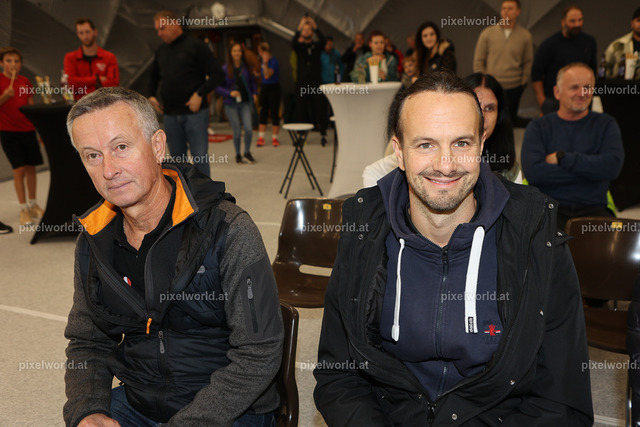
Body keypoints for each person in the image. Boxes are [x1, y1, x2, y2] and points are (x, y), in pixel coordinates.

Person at [315, 71, 593, 425]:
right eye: (425, 144)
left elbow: (562, 404)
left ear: (481, 146)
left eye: (461, 143)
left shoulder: (537, 237)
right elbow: (339, 377)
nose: (445, 165)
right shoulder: (363, 231)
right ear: (399, 152)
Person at [63, 87, 283, 427]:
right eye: (92, 155)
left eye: (121, 147)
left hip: (228, 408)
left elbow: (259, 353)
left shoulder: (227, 228)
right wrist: (88, 410)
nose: (108, 170)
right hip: (139, 402)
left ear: (157, 145)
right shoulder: (94, 239)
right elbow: (87, 341)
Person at [362, 72, 521, 186]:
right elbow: (373, 172)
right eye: (426, 145)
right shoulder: (413, 150)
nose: (482, 116)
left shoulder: (509, 167)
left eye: (490, 108)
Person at [521, 63, 624, 229]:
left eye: (587, 87)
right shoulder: (538, 127)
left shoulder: (606, 124)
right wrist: (591, 172)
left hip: (594, 209)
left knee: (622, 242)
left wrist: (563, 158)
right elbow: (535, 174)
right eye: (574, 87)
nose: (582, 93)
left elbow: (612, 167)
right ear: (557, 92)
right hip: (548, 209)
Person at [148, 10, 225, 177]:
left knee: (200, 157)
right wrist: (151, 95)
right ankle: (182, 191)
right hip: (170, 115)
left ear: (174, 24)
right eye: (157, 30)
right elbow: (153, 76)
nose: (159, 33)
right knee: (177, 161)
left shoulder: (196, 46)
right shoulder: (161, 51)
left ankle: (204, 193)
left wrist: (200, 94)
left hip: (195, 114)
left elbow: (218, 74)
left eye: (162, 28)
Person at [0, 47, 45, 226]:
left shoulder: (25, 81)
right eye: (9, 61)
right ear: (2, 63)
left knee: (31, 168)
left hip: (27, 130)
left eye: (16, 61)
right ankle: (23, 208)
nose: (13, 64)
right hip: (8, 132)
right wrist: (4, 97)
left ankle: (33, 205)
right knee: (18, 170)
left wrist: (39, 130)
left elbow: (30, 107)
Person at [473, 0, 533, 126]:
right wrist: (483, 82)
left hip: (515, 85)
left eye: (510, 8)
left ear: (518, 11)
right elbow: (479, 60)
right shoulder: (487, 33)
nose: (506, 11)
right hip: (492, 85)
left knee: (510, 121)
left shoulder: (525, 36)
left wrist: (523, 82)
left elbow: (528, 61)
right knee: (492, 120)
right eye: (504, 8)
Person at [531, 5, 597, 115]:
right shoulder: (549, 44)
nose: (577, 24)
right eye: (572, 21)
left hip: (581, 98)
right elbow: (536, 74)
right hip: (554, 101)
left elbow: (592, 71)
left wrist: (589, 94)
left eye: (580, 20)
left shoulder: (589, 42)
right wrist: (542, 100)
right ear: (563, 22)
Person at [464, 73, 521, 182]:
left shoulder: (510, 170)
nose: (482, 117)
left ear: (499, 116)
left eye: (489, 108)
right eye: (475, 107)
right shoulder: (442, 163)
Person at [215, 42, 258, 164]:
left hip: (245, 102)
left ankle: (247, 152)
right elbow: (217, 87)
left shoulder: (246, 67)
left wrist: (254, 93)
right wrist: (229, 93)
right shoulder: (225, 69)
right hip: (231, 104)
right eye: (234, 51)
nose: (237, 53)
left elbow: (252, 82)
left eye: (239, 51)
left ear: (242, 53)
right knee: (237, 131)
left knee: (249, 129)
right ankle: (238, 155)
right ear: (230, 53)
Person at [64, 18, 119, 100]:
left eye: (87, 32)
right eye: (81, 33)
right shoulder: (70, 58)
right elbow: (70, 83)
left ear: (95, 32)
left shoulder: (109, 57)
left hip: (103, 102)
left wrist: (82, 84)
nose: (85, 36)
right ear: (78, 34)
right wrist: (97, 79)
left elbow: (113, 84)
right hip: (80, 103)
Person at [292, 15, 325, 137]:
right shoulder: (299, 47)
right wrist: (300, 26)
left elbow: (324, 41)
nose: (306, 31)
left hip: (315, 82)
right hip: (302, 82)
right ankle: (301, 133)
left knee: (319, 106)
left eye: (308, 29)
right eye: (304, 30)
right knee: (301, 108)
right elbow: (293, 42)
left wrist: (315, 26)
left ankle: (323, 132)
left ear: (312, 32)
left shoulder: (316, 46)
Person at [604, 7, 640, 78]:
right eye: (639, 20)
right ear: (632, 24)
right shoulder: (618, 44)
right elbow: (605, 67)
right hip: (621, 84)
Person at [257, 42, 281, 147]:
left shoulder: (273, 61)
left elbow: (267, 75)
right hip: (265, 88)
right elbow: (262, 75)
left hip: (274, 88)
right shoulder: (262, 62)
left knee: (274, 113)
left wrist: (265, 63)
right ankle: (261, 138)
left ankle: (275, 138)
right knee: (263, 112)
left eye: (260, 51)